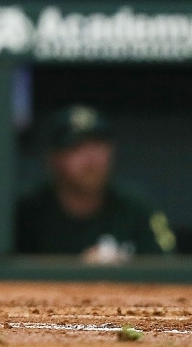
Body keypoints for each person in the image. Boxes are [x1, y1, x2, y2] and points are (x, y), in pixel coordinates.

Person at [15, 105, 175, 258]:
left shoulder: (137, 207)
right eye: (76, 147)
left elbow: (170, 266)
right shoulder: (27, 212)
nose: (91, 159)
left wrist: (125, 268)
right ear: (54, 159)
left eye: (98, 145)